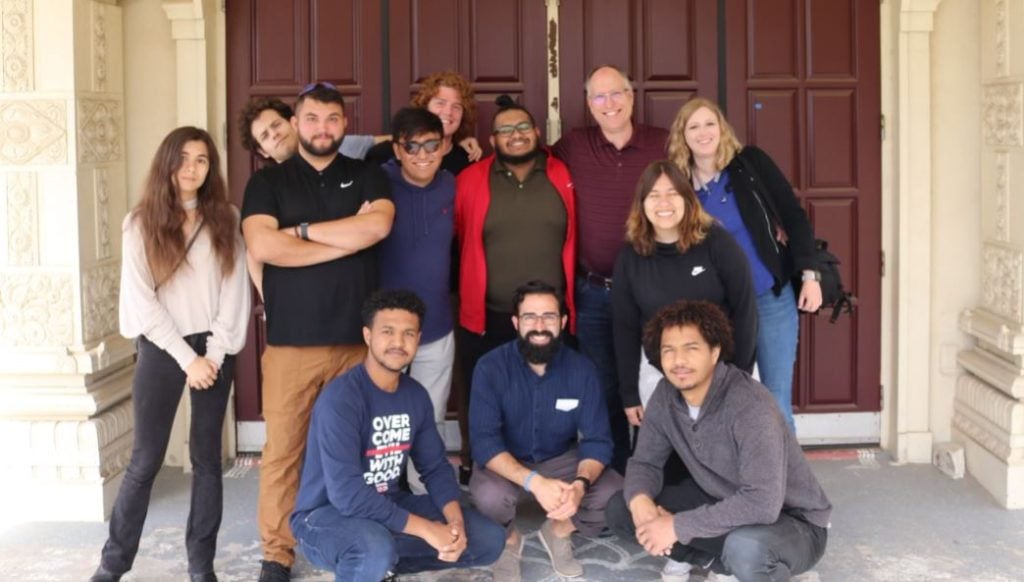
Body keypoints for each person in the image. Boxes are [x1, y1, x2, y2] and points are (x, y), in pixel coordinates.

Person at [241, 82, 395, 582]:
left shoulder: (367, 173)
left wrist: (302, 233)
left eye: (332, 119)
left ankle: (362, 539)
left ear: (343, 124)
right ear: (297, 122)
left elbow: (375, 229)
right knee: (283, 452)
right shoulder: (268, 184)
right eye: (312, 119)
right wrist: (342, 239)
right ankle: (277, 553)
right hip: (291, 345)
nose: (322, 128)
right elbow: (263, 246)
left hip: (357, 343)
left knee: (359, 451)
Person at [90, 127, 250, 582]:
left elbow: (234, 295)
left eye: (202, 160)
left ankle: (201, 565)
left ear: (210, 168)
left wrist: (213, 355)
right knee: (145, 460)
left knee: (206, 460)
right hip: (164, 348)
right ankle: (113, 564)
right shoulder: (139, 223)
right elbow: (142, 303)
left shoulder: (227, 219)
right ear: (167, 163)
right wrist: (188, 359)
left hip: (215, 348)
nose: (192, 168)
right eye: (183, 158)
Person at [605, 300, 831, 582]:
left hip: (793, 522)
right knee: (621, 509)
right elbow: (645, 462)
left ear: (715, 352)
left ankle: (762, 567)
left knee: (747, 550)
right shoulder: (666, 394)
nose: (679, 361)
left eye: (691, 348)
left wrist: (676, 526)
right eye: (669, 350)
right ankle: (721, 566)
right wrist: (641, 504)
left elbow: (763, 503)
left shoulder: (749, 405)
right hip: (721, 498)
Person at [290, 289, 505, 582]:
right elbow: (347, 495)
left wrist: (454, 522)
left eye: (408, 333)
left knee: (486, 538)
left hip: (386, 504)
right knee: (372, 547)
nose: (398, 343)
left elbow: (435, 467)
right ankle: (372, 562)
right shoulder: (341, 399)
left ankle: (379, 566)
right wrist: (428, 530)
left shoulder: (415, 395)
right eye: (387, 332)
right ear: (368, 336)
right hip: (323, 516)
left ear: (418, 339)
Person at [667, 97, 822, 433]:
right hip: (717, 307)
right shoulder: (679, 185)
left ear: (722, 129)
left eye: (710, 123)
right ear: (683, 135)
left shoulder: (749, 164)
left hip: (770, 298)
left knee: (775, 396)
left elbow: (792, 215)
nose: (703, 132)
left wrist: (810, 275)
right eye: (694, 126)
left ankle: (785, 480)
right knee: (719, 396)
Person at [552, 64, 668, 472]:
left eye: (616, 93)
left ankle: (658, 472)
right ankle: (618, 476)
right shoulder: (574, 145)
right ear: (588, 104)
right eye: (599, 97)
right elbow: (525, 158)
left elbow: (705, 177)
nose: (609, 104)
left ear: (631, 96)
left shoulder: (663, 143)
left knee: (659, 380)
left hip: (654, 288)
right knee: (606, 385)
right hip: (595, 292)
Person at [455, 97, 577, 482]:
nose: (516, 135)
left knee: (553, 395)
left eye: (523, 127)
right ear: (492, 140)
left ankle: (554, 474)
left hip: (551, 318)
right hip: (488, 315)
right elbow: (457, 237)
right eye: (505, 129)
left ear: (538, 133)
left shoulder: (562, 174)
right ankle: (482, 472)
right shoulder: (471, 179)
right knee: (484, 397)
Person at [469, 280, 622, 581]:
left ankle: (558, 531)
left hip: (560, 459)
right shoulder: (489, 367)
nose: (539, 326)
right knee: (488, 497)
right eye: (530, 317)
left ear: (563, 321)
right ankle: (509, 542)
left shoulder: (583, 370)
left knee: (618, 494)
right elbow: (484, 443)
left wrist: (579, 485)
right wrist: (535, 483)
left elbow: (597, 441)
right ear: (516, 322)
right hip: (506, 461)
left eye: (549, 317)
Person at [612, 160, 757, 424]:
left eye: (672, 194)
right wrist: (629, 394)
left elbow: (745, 310)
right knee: (666, 458)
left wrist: (738, 378)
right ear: (642, 204)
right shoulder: (630, 257)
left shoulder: (716, 241)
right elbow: (624, 328)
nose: (663, 203)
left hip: (720, 370)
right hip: (660, 373)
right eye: (654, 195)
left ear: (688, 199)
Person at [376, 107, 458, 491]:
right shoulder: (376, 184)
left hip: (436, 327)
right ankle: (383, 501)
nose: (422, 154)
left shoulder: (453, 186)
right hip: (385, 331)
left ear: (445, 145)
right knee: (381, 420)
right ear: (397, 149)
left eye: (431, 144)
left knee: (431, 418)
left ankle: (428, 501)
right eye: (412, 146)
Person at [238, 94, 482, 166]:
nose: (275, 134)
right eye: (265, 136)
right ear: (263, 151)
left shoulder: (343, 145)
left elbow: (396, 139)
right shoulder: (268, 187)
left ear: (293, 122)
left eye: (276, 125)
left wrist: (451, 140)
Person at [366, 70, 483, 175]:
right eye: (440, 103)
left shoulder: (469, 160)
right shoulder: (383, 154)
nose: (448, 112)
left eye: (456, 107)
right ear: (424, 107)